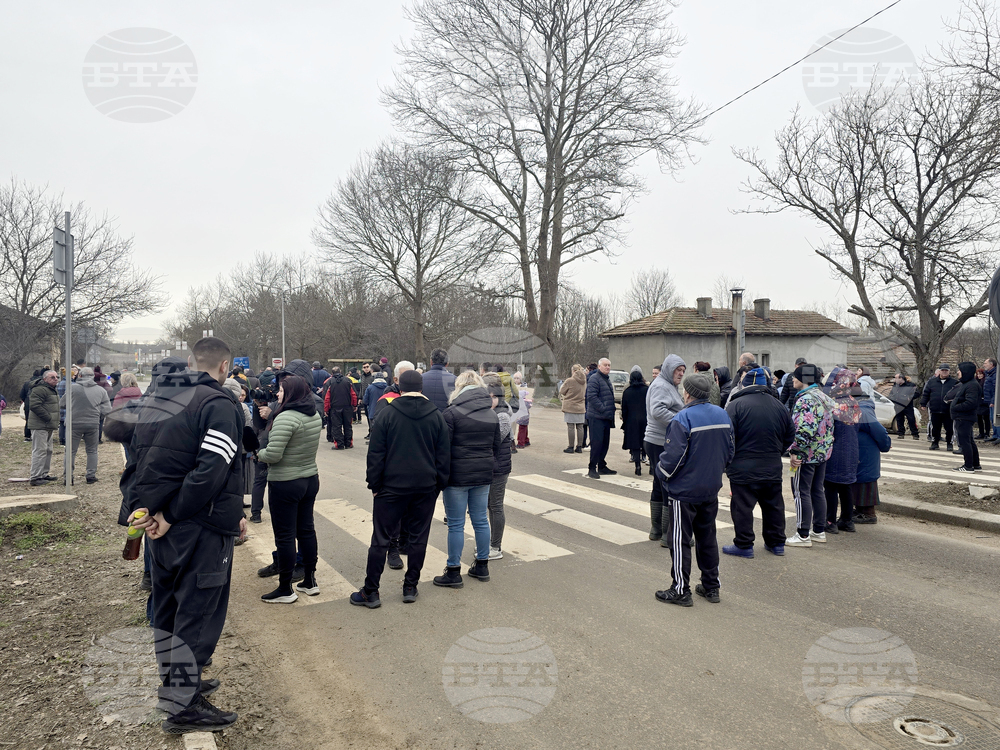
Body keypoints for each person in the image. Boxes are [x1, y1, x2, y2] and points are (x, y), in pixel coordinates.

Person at [123, 337, 247, 733]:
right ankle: (183, 706)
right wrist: (173, 515)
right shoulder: (219, 404)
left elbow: (137, 461)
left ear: (193, 361)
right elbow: (211, 470)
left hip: (161, 523)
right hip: (198, 525)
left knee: (168, 607)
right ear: (225, 366)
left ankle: (176, 685)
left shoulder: (163, 399)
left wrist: (148, 513)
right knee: (196, 612)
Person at [352, 369, 449, 608]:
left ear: (399, 388)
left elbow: (375, 454)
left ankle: (371, 591)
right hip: (425, 487)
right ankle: (410, 586)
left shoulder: (386, 414)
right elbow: (444, 456)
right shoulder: (437, 416)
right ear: (422, 388)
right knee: (418, 538)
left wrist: (374, 484)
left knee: (381, 539)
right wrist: (438, 484)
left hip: (390, 488)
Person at [654, 373, 734, 607]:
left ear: (687, 393)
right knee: (707, 538)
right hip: (710, 489)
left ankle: (680, 589)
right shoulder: (722, 415)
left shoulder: (682, 418)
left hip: (684, 492)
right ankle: (711, 586)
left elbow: (672, 459)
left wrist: (661, 473)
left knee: (678, 541)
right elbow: (730, 452)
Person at [254, 374, 322, 603]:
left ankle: (285, 588)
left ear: (291, 393)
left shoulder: (286, 418)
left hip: (285, 482)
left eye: (281, 390)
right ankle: (310, 581)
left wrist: (257, 454)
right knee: (306, 531)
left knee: (284, 537)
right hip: (310, 479)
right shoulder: (314, 415)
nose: (277, 394)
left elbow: (273, 454)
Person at [433, 371, 501, 588]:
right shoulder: (491, 414)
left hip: (457, 477)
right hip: (483, 475)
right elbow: (496, 447)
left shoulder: (451, 413)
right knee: (481, 520)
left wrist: (440, 477)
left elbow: (442, 449)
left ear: (459, 388)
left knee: (456, 524)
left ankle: (453, 570)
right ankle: (482, 565)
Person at [723, 367, 794, 558]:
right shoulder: (779, 406)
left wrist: (728, 460)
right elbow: (790, 436)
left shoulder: (735, 406)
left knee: (742, 507)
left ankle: (744, 545)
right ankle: (776, 542)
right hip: (771, 466)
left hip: (742, 468)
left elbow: (727, 437)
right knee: (773, 506)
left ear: (745, 385)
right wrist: (776, 451)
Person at [786, 364, 835, 548]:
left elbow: (804, 429)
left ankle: (802, 534)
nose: (792, 379)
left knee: (800, 492)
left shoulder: (805, 400)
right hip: (822, 453)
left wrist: (795, 451)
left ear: (804, 379)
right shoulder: (823, 396)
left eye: (795, 376)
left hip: (806, 455)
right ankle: (818, 530)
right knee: (817, 491)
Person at [644, 355, 686, 541]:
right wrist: (681, 421)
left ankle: (657, 530)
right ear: (669, 369)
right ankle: (668, 534)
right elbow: (658, 411)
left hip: (658, 440)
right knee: (668, 484)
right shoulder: (662, 385)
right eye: (678, 370)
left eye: (683, 371)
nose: (681, 374)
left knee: (659, 482)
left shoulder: (666, 384)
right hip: (660, 441)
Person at [823, 371, 861, 535]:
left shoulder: (833, 403)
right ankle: (847, 520)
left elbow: (828, 428)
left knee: (830, 486)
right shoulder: (854, 403)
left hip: (836, 448)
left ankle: (830, 521)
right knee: (846, 486)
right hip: (852, 449)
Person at [61, 367, 112, 484]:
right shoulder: (101, 391)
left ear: (80, 376)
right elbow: (107, 409)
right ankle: (91, 475)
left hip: (73, 423)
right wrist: (98, 415)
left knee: (70, 451)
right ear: (93, 377)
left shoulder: (72, 388)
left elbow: (62, 404)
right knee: (92, 450)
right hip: (93, 423)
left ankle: (68, 477)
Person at [852, 387, 892, 525]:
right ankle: (860, 510)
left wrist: (885, 445)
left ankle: (868, 514)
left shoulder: (863, 409)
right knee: (859, 482)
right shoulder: (859, 407)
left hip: (866, 452)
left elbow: (879, 431)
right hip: (861, 450)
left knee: (865, 482)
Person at [483, 374, 513, 560]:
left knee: (495, 506)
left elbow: (493, 441)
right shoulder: (492, 412)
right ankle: (491, 543)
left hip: (499, 468)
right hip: (490, 466)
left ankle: (496, 546)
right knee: (489, 506)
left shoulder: (502, 416)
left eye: (490, 397)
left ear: (496, 397)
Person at [948, 362, 983, 473]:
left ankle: (968, 466)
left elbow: (971, 403)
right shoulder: (967, 383)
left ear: (965, 372)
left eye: (960, 370)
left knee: (965, 442)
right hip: (964, 416)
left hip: (964, 417)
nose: (958, 372)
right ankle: (975, 464)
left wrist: (955, 407)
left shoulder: (972, 385)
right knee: (969, 441)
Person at [26, 370, 60, 486]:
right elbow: (34, 405)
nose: (56, 379)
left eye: (57, 377)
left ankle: (43, 474)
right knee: (40, 450)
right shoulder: (39, 389)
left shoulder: (51, 389)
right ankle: (35, 477)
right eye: (52, 377)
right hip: (40, 425)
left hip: (48, 425)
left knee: (48, 450)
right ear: (45, 379)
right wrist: (48, 417)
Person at [585, 358, 616, 480]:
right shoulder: (595, 379)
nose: (607, 367)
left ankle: (601, 466)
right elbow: (591, 396)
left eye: (609, 365)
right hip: (597, 417)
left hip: (606, 417)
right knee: (596, 443)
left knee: (604, 443)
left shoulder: (606, 379)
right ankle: (592, 468)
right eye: (605, 365)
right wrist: (603, 408)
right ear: (599, 366)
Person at [920, 364, 958, 452]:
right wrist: (923, 403)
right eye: (943, 370)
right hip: (935, 408)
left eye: (946, 370)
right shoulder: (932, 382)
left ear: (949, 372)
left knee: (949, 428)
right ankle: (935, 442)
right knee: (935, 428)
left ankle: (950, 443)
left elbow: (957, 395)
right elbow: (926, 393)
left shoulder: (954, 382)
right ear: (939, 371)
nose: (944, 372)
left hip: (948, 410)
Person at [620, 367, 648, 476]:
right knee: (646, 441)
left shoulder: (627, 392)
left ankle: (637, 465)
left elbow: (624, 409)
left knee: (635, 444)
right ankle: (651, 466)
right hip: (646, 420)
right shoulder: (647, 390)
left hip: (632, 421)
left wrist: (625, 421)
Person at [324, 366, 355, 449]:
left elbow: (327, 397)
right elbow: (353, 394)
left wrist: (326, 409)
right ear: (340, 371)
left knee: (336, 426)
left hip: (335, 408)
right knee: (348, 425)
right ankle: (348, 443)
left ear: (332, 373)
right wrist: (354, 405)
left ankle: (339, 444)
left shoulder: (329, 382)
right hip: (347, 407)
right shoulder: (348, 381)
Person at [559, 364, 587, 453]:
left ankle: (570, 446)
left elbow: (562, 391)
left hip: (570, 406)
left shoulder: (569, 380)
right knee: (580, 427)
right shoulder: (584, 381)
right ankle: (579, 446)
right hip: (581, 406)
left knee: (570, 426)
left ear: (573, 371)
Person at [889, 373, 919, 439]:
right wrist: (892, 398)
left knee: (911, 420)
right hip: (898, 405)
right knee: (899, 420)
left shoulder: (910, 385)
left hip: (907, 406)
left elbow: (917, 393)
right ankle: (901, 433)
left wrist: (909, 398)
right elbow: (891, 393)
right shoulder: (895, 386)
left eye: (896, 378)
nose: (895, 379)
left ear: (901, 378)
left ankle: (915, 434)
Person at [512, 371, 531, 447]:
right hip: (516, 407)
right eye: (515, 378)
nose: (516, 380)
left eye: (518, 378)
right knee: (523, 425)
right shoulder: (512, 386)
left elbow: (528, 398)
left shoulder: (524, 388)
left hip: (523, 407)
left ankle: (521, 442)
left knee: (522, 425)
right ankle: (526, 440)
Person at [983, 358, 998, 443]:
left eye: (985, 363)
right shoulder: (989, 374)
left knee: (995, 418)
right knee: (992, 418)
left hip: (994, 401)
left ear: (991, 364)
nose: (984, 365)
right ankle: (995, 435)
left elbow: (996, 389)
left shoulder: (995, 374)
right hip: (989, 400)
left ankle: (998, 436)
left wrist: (993, 401)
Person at [975, 368, 991, 440]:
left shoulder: (985, 381)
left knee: (986, 418)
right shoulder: (976, 382)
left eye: (980, 374)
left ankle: (987, 433)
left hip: (984, 401)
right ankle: (981, 433)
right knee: (979, 418)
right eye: (978, 374)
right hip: (978, 402)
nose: (979, 375)